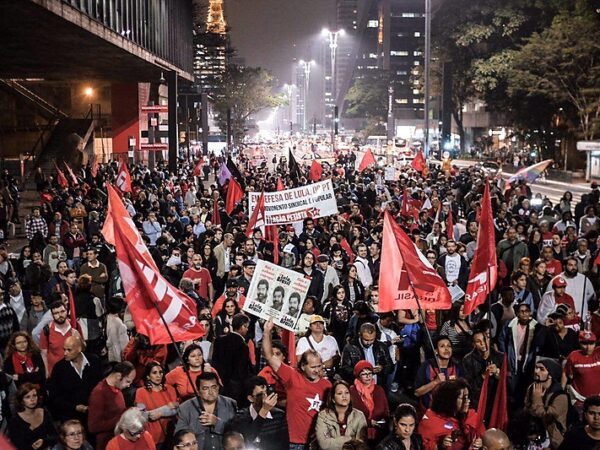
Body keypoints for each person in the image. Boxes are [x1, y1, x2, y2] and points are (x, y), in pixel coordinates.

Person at [262, 319, 332, 449]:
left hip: (318, 443)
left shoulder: (327, 385)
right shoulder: (292, 376)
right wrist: (267, 332)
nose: (316, 370)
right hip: (293, 442)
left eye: (319, 366)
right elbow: (269, 357)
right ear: (303, 365)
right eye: (313, 367)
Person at [46, 335, 102, 423]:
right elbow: (55, 397)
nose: (65, 353)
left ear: (79, 349)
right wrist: (74, 407)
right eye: (64, 349)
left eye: (69, 350)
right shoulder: (59, 368)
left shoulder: (94, 361)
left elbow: (100, 387)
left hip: (94, 415)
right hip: (70, 417)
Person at [174, 371, 237, 449]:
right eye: (205, 388)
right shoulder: (185, 408)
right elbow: (179, 437)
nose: (210, 392)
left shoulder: (230, 404)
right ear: (198, 391)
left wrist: (217, 423)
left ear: (218, 387)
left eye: (213, 387)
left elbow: (236, 431)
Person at [224, 376, 289, 450]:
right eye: (261, 394)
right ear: (251, 398)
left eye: (266, 392)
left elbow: (284, 446)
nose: (266, 397)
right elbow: (248, 439)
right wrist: (264, 411)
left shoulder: (279, 416)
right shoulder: (240, 418)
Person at [418, 379, 482, 450]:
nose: (468, 401)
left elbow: (484, 437)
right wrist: (441, 446)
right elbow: (423, 446)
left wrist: (479, 443)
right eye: (463, 398)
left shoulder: (471, 416)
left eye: (467, 397)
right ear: (450, 400)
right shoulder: (430, 420)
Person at [87, 362, 136, 450]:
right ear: (118, 376)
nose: (129, 385)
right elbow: (93, 427)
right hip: (106, 444)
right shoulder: (99, 392)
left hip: (119, 441)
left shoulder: (117, 388)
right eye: (128, 381)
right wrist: (123, 417)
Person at [524, 358, 569, 449]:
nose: (536, 371)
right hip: (534, 435)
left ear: (550, 375)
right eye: (536, 368)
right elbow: (527, 409)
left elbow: (546, 416)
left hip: (555, 440)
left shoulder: (560, 395)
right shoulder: (532, 388)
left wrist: (537, 399)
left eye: (541, 369)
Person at [134, 361, 178, 448]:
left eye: (161, 372)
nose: (159, 375)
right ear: (148, 376)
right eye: (154, 373)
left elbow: (177, 409)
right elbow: (141, 415)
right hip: (153, 438)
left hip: (171, 435)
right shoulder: (141, 392)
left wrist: (160, 413)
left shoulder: (170, 389)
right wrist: (166, 409)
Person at [314, 379, 368, 450]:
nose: (344, 396)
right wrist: (350, 439)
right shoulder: (323, 415)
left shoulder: (359, 415)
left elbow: (361, 445)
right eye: (340, 393)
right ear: (333, 399)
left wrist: (335, 442)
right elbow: (324, 444)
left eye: (347, 393)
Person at [211, 313, 253, 404]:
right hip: (235, 391)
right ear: (242, 327)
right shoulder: (243, 346)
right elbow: (242, 371)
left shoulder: (219, 341)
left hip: (219, 386)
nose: (247, 329)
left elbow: (214, 364)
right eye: (246, 327)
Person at [415, 336, 461, 409]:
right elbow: (417, 392)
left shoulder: (457, 367)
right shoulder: (426, 366)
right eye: (442, 346)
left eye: (449, 346)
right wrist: (435, 382)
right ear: (436, 351)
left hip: (450, 411)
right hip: (429, 410)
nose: (446, 349)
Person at [8, 383, 58, 450]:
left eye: (34, 395)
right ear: (21, 400)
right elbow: (17, 446)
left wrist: (44, 441)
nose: (32, 399)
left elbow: (55, 436)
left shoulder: (44, 412)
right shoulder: (14, 421)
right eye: (27, 397)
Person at [349, 360, 389, 443]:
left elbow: (386, 411)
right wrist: (368, 422)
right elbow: (350, 414)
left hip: (379, 432)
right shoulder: (352, 391)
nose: (368, 376)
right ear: (358, 376)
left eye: (370, 373)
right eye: (364, 374)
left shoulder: (379, 389)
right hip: (357, 432)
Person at [39, 300, 81, 375]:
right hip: (55, 372)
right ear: (52, 315)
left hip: (74, 370)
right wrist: (46, 372)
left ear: (66, 311)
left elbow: (83, 348)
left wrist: (78, 338)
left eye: (62, 311)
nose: (60, 315)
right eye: (56, 313)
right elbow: (43, 353)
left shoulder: (75, 326)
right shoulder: (46, 330)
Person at [563, 330, 600, 409]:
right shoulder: (573, 355)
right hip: (579, 400)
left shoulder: (598, 353)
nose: (588, 347)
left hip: (597, 401)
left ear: (595, 344)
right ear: (579, 343)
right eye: (585, 344)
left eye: (591, 343)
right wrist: (561, 392)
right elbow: (565, 373)